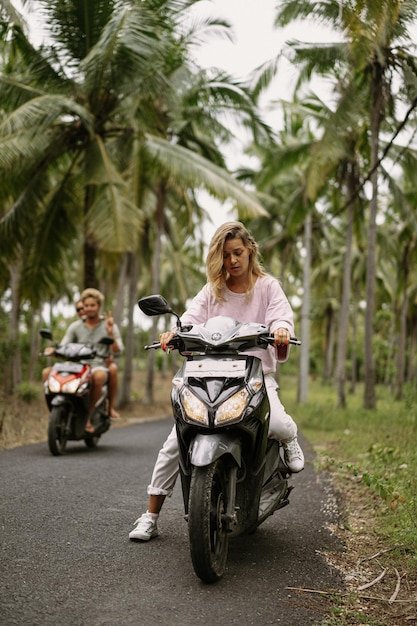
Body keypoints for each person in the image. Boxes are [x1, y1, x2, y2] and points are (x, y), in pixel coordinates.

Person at [129, 221, 304, 542]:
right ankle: (150, 515)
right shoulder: (213, 289)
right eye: (225, 256)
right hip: (208, 373)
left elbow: (282, 316)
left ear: (250, 250)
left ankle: (291, 437)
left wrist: (280, 331)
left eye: (237, 253)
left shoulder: (267, 287)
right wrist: (174, 333)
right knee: (174, 442)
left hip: (254, 375)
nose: (232, 261)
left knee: (277, 424)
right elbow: (190, 319)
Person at [43, 288, 124, 432]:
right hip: (75, 366)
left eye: (92, 305)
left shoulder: (109, 325)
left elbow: (118, 351)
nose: (89, 308)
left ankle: (88, 416)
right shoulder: (75, 326)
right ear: (83, 307)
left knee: (98, 376)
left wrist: (110, 333)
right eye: (86, 305)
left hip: (98, 365)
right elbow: (64, 344)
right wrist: (54, 350)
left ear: (99, 306)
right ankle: (56, 413)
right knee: (47, 373)